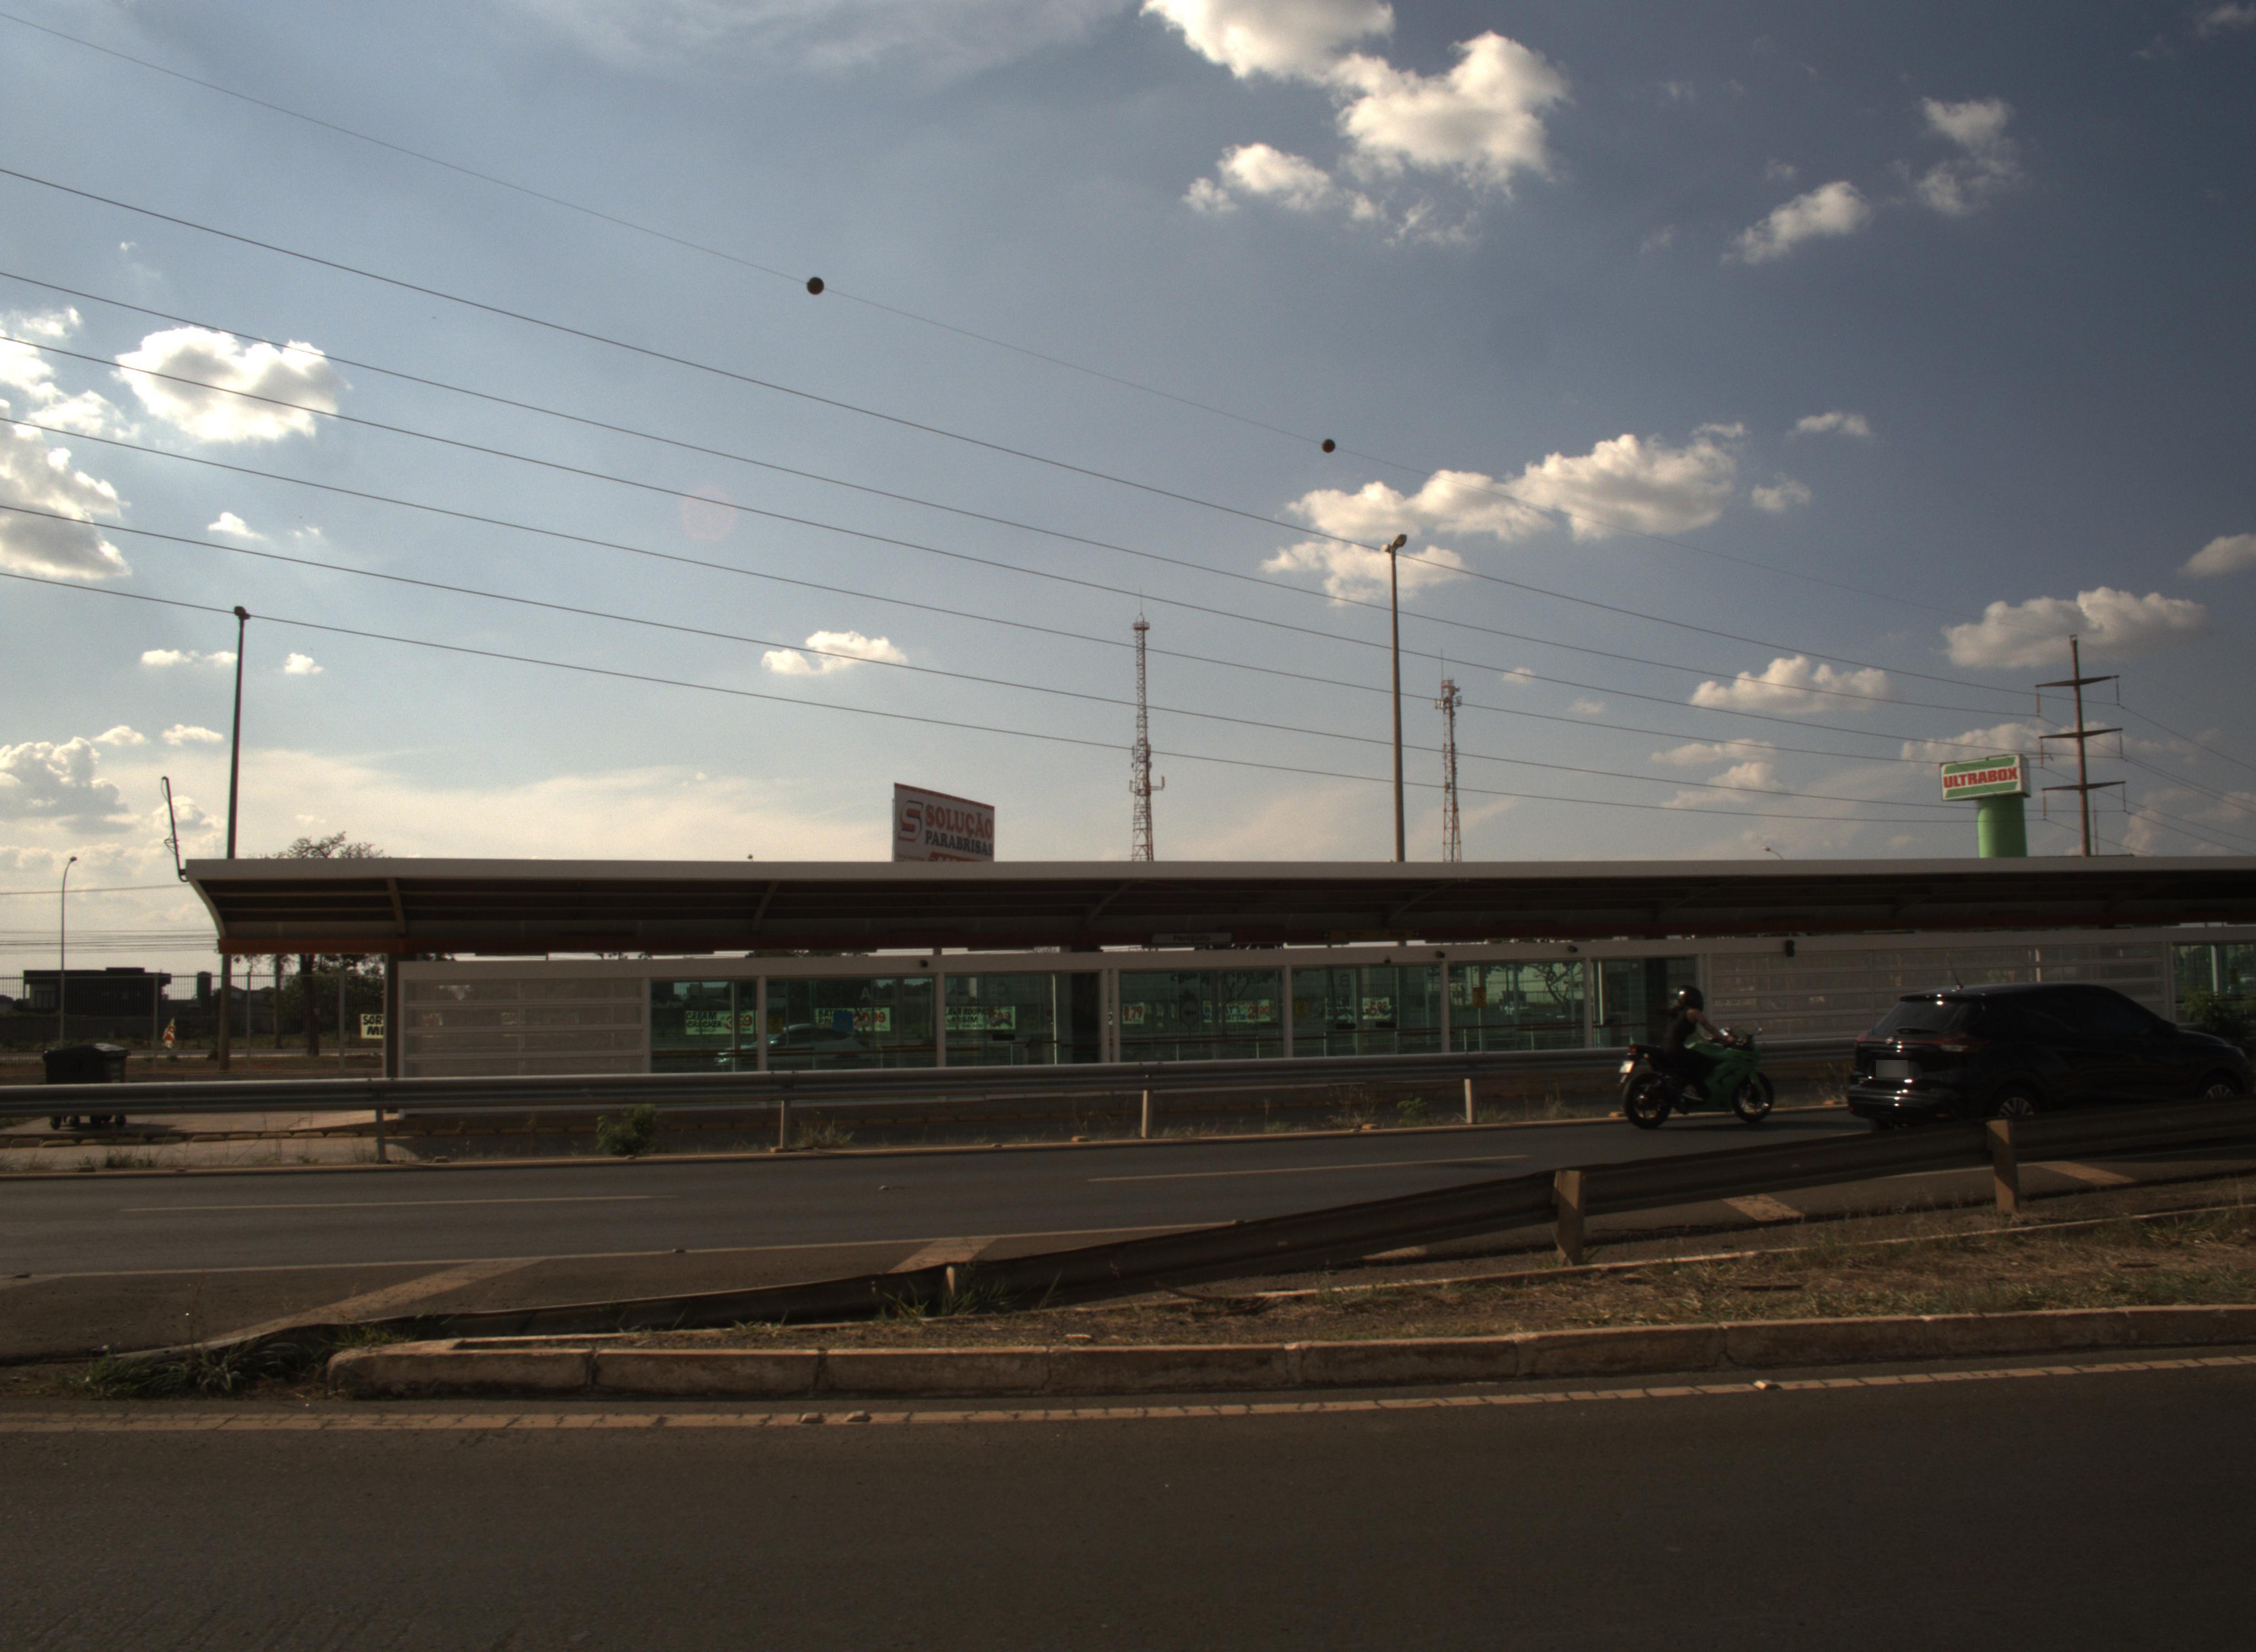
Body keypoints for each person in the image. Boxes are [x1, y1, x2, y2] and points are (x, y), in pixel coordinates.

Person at [1661, 985, 1723, 1099]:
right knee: (1707, 1062)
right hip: (1675, 1049)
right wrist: (1724, 1039)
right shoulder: (1693, 1012)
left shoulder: (1677, 1012)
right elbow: (1708, 1026)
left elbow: (1683, 1032)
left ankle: (1683, 1088)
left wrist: (1706, 1040)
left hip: (1665, 1047)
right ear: (1694, 999)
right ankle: (1691, 1089)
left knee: (1689, 1064)